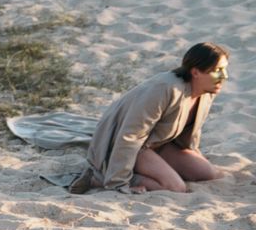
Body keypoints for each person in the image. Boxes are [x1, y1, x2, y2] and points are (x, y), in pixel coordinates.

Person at [70, 42, 228, 194]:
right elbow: (130, 135)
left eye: (225, 69)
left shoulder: (206, 91)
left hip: (159, 144)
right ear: (195, 72)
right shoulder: (165, 89)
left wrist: (193, 155)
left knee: (207, 173)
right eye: (218, 70)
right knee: (175, 187)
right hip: (130, 146)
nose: (224, 76)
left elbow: (189, 133)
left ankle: (157, 167)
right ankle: (97, 179)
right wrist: (118, 181)